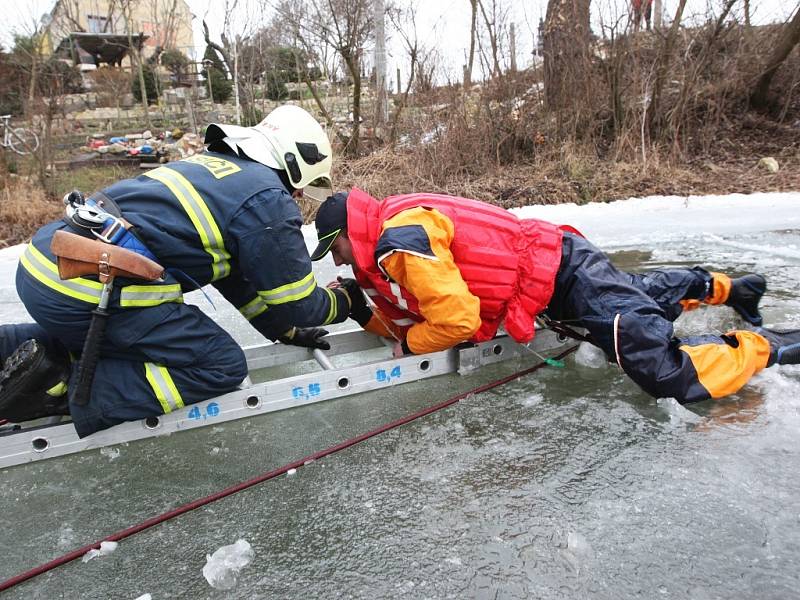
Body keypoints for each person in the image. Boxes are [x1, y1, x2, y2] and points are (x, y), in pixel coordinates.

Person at [0, 105, 354, 437]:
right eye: (299, 188)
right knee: (220, 365)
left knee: (94, 334)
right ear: (294, 165)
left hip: (45, 268)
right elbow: (299, 302)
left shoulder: (214, 169)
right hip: (91, 287)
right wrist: (344, 301)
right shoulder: (266, 199)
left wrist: (286, 330)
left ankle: (12, 348)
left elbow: (236, 281)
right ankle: (63, 389)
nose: (294, 196)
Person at [310, 188, 800, 405]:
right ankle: (735, 288)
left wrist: (412, 346)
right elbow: (420, 311)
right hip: (554, 272)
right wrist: (361, 311)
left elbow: (455, 320)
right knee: (638, 297)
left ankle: (768, 345)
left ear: (353, 231)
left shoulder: (400, 245)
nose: (338, 261)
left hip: (561, 272)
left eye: (337, 249)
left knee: (658, 366)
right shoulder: (394, 227)